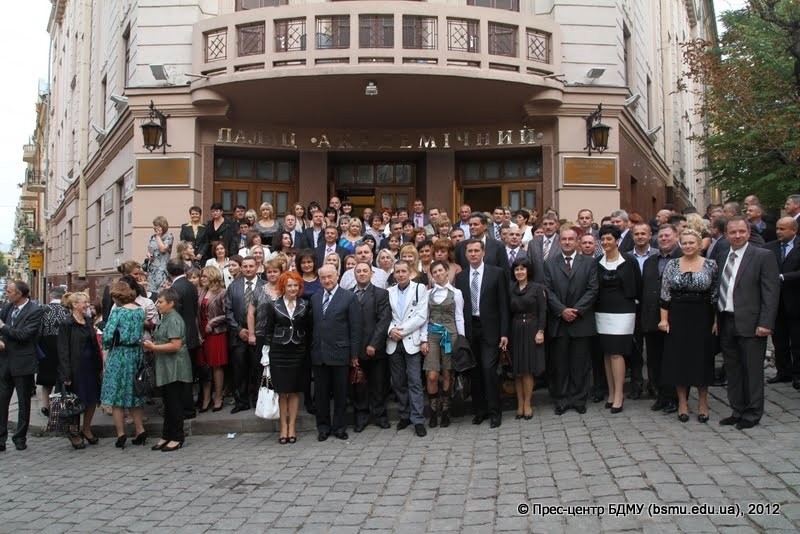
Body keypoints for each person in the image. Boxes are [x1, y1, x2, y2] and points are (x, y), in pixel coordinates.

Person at [716, 217, 780, 430]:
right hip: (726, 320)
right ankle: (737, 409)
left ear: (748, 232)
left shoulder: (762, 256)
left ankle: (752, 413)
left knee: (752, 371)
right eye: (733, 232)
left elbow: (770, 294)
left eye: (742, 231)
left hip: (752, 323)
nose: (737, 235)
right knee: (733, 369)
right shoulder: (722, 255)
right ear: (726, 235)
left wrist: (766, 323)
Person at [659, 229, 719, 423]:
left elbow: (716, 294)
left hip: (703, 315)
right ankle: (682, 402)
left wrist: (716, 321)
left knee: (701, 359)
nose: (687, 246)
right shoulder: (672, 264)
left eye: (691, 243)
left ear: (699, 244)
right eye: (684, 243)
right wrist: (664, 319)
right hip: (677, 315)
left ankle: (703, 401)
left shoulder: (711, 264)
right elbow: (665, 294)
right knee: (679, 360)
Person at [455, 239, 510, 428]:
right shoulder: (461, 277)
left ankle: (495, 412)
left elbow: (504, 305)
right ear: (465, 254)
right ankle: (480, 410)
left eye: (476, 250)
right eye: (469, 251)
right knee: (475, 372)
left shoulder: (497, 273)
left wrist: (504, 332)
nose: (473, 254)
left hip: (491, 329)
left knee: (489, 370)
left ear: (483, 252)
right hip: (470, 330)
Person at [543, 229, 598, 415]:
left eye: (570, 239)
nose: (567, 242)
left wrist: (576, 310)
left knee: (580, 364)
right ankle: (562, 399)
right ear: (559, 242)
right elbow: (547, 291)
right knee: (560, 364)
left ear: (577, 241)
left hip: (581, 321)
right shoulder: (550, 264)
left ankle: (579, 399)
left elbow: (593, 289)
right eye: (564, 239)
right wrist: (561, 310)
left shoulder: (589, 263)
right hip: (559, 321)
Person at [310, 265, 362, 441]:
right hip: (319, 354)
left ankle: (340, 427)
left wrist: (354, 355)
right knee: (321, 395)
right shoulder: (315, 298)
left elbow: (356, 328)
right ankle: (323, 427)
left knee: (341, 394)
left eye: (330, 277)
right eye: (323, 277)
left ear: (337, 276)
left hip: (341, 353)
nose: (327, 280)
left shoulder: (349, 297)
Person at [261, 271, 312, 444]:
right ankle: (283, 427)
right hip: (279, 353)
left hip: (298, 352)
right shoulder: (273, 305)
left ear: (299, 287)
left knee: (295, 390)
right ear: (283, 287)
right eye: (289, 285)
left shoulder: (305, 304)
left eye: (295, 285)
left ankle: (292, 427)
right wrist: (265, 353)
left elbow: (309, 329)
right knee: (282, 392)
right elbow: (268, 331)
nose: (292, 288)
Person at [595, 225, 641, 413]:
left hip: (624, 312)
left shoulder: (629, 261)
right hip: (602, 311)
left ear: (617, 240)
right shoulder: (598, 261)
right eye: (603, 239)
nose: (605, 242)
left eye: (609, 239)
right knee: (606, 352)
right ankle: (612, 392)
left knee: (617, 352)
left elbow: (638, 284)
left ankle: (620, 395)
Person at [143, 289, 193, 452]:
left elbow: (175, 345)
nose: (158, 304)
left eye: (161, 302)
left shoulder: (174, 319)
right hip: (165, 365)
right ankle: (167, 434)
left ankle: (177, 436)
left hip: (175, 367)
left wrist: (153, 347)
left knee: (174, 402)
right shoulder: (165, 318)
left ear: (171, 303)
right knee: (168, 402)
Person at [640, 224, 682, 414]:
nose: (663, 239)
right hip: (651, 317)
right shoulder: (650, 261)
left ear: (676, 237)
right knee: (654, 359)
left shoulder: (683, 258)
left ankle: (674, 397)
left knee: (672, 359)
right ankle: (661, 396)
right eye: (661, 236)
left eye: (667, 236)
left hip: (674, 317)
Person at [101, 281, 147, 449]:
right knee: (134, 394)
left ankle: (121, 434)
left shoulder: (118, 312)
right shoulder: (139, 311)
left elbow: (108, 336)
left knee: (117, 396)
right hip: (136, 354)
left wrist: (105, 345)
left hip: (120, 354)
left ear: (116, 296)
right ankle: (140, 429)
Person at [386, 260, 429, 437]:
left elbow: (421, 316)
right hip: (393, 342)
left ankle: (418, 419)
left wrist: (400, 332)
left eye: (404, 271)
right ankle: (404, 415)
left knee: (415, 381)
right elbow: (384, 316)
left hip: (411, 340)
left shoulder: (419, 289)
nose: (401, 274)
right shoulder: (388, 292)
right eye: (398, 272)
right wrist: (390, 331)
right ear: (394, 274)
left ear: (410, 272)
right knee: (398, 382)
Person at [0, 281, 43, 451]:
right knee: (2, 400)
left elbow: (24, 335)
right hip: (4, 361)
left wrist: (3, 327)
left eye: (9, 291)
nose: (7, 294)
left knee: (24, 401)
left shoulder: (34, 310)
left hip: (23, 362)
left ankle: (20, 437)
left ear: (19, 294)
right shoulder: (7, 307)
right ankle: (1, 439)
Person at [57, 292, 103, 449]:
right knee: (76, 401)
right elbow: (63, 350)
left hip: (90, 367)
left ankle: (87, 428)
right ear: (75, 304)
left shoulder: (89, 321)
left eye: (88, 302)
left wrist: (99, 367)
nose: (87, 305)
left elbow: (94, 345)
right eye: (84, 302)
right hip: (75, 369)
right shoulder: (67, 323)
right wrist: (66, 373)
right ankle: (73, 432)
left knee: (91, 399)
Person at [350, 263, 392, 432]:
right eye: (358, 271)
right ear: (354, 274)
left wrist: (373, 344)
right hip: (355, 349)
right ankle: (361, 416)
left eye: (365, 271)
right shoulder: (347, 295)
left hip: (375, 348)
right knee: (359, 385)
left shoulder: (381, 294)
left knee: (378, 384)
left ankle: (380, 415)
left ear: (371, 273)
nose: (361, 274)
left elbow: (383, 321)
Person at [424, 260, 464, 428]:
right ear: (432, 275)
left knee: (448, 373)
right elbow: (424, 317)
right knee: (432, 375)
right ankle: (433, 410)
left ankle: (445, 411)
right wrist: (423, 339)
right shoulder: (428, 294)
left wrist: (462, 340)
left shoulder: (456, 293)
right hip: (433, 334)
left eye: (441, 270)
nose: (438, 274)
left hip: (450, 334)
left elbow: (459, 316)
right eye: (435, 272)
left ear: (447, 272)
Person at [226, 257, 264, 413]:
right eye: (245, 266)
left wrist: (255, 330)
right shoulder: (233, 286)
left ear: (257, 267)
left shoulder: (265, 286)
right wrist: (239, 330)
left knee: (257, 368)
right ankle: (241, 401)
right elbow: (228, 311)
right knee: (239, 369)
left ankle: (257, 399)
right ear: (241, 268)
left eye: (251, 266)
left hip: (259, 334)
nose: (248, 269)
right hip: (239, 335)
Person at [767, 217, 800, 389]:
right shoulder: (770, 248)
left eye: (783, 229)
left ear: (794, 230)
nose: (778, 231)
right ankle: (783, 372)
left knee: (797, 341)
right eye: (777, 228)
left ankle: (798, 374)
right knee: (779, 340)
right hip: (776, 303)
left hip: (795, 302)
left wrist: (783, 277)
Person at [166, 260, 200, 420]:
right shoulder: (190, 285)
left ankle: (186, 408)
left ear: (168, 273)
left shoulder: (175, 289)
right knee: (189, 374)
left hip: (180, 337)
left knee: (182, 376)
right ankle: (188, 406)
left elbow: (175, 315)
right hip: (191, 333)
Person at [197, 267, 228, 412]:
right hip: (201, 329)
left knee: (216, 365)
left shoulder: (222, 292)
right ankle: (206, 397)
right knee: (204, 366)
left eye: (204, 276)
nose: (201, 278)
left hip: (216, 332)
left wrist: (212, 322)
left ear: (212, 276)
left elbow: (227, 313)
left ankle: (218, 397)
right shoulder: (201, 291)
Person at [36, 286, 69, 417]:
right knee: (61, 378)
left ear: (51, 296)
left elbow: (38, 330)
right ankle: (59, 405)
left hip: (46, 346)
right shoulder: (67, 311)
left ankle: (45, 405)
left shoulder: (42, 310)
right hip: (62, 346)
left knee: (46, 379)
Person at [526, 213, 561, 281]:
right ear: (542, 226)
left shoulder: (563, 242)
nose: (548, 227)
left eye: (551, 224)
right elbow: (529, 266)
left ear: (557, 225)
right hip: (537, 285)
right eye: (545, 224)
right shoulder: (533, 243)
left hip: (557, 286)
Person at [147, 216, 174, 292]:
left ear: (163, 225)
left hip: (162, 269)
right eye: (154, 225)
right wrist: (149, 254)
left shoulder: (169, 236)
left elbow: (163, 249)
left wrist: (158, 236)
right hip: (152, 267)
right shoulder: (153, 237)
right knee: (151, 290)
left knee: (160, 290)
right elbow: (150, 249)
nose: (155, 227)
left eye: (157, 225)